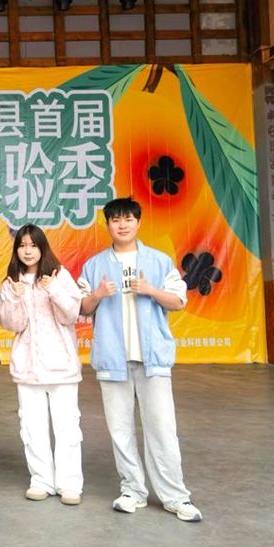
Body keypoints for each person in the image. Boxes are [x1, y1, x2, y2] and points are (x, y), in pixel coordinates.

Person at [78, 197, 202, 522]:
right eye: (115, 220)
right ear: (107, 225)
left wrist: (150, 290)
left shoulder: (159, 261)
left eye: (128, 219)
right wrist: (97, 295)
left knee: (162, 428)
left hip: (153, 359)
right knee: (120, 430)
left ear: (138, 222)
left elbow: (178, 300)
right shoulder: (94, 265)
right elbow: (81, 308)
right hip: (112, 359)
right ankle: (132, 491)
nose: (122, 225)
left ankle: (176, 496)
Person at [0, 224, 84, 506]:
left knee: (67, 427)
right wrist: (16, 297)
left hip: (61, 367)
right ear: (16, 250)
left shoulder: (60, 275)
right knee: (32, 428)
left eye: (33, 245)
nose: (28, 251)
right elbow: (12, 323)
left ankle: (69, 483)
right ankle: (41, 480)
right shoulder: (12, 282)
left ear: (42, 247)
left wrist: (53, 290)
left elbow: (71, 315)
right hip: (28, 368)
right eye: (22, 246)